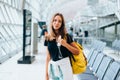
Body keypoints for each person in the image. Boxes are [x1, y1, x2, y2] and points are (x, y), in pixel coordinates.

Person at [44, 13, 79, 80]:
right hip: (53, 68)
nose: (57, 23)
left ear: (62, 24)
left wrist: (65, 44)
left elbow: (77, 52)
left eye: (59, 21)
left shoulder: (66, 36)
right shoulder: (48, 37)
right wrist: (46, 74)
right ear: (52, 22)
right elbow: (48, 57)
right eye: (55, 20)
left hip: (65, 66)